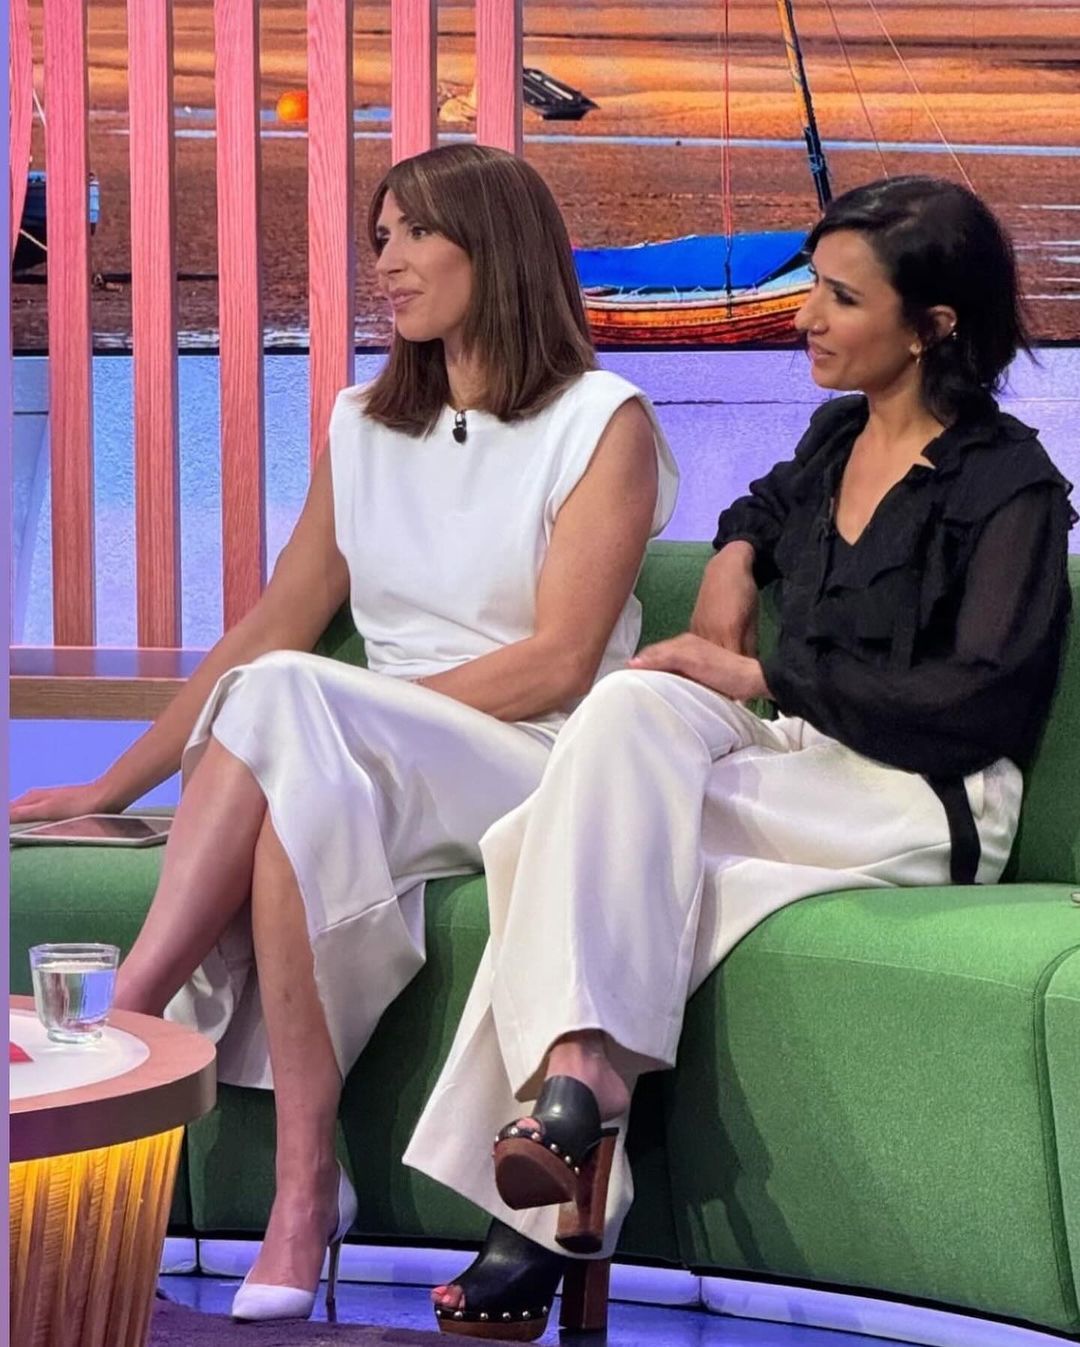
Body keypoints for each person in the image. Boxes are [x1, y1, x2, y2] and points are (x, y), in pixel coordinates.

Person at [9, 143, 678, 1323]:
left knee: (296, 704)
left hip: (538, 757)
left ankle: (132, 1015)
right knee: (292, 774)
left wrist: (364, 714)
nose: (389, 263)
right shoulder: (364, 424)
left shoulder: (599, 421)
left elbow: (562, 662)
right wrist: (108, 784)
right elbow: (270, 626)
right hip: (357, 758)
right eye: (380, 238)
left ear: (498, 248)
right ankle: (305, 1188)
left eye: (417, 234)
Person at [408, 174, 1075, 1340]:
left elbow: (975, 700)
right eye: (813, 286)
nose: (805, 315)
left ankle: (547, 1196)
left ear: (933, 326)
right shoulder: (836, 436)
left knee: (545, 847)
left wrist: (762, 673)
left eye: (840, 298)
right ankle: (577, 1095)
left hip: (923, 797)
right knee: (629, 709)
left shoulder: (1009, 487)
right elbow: (761, 508)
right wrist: (731, 555)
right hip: (807, 762)